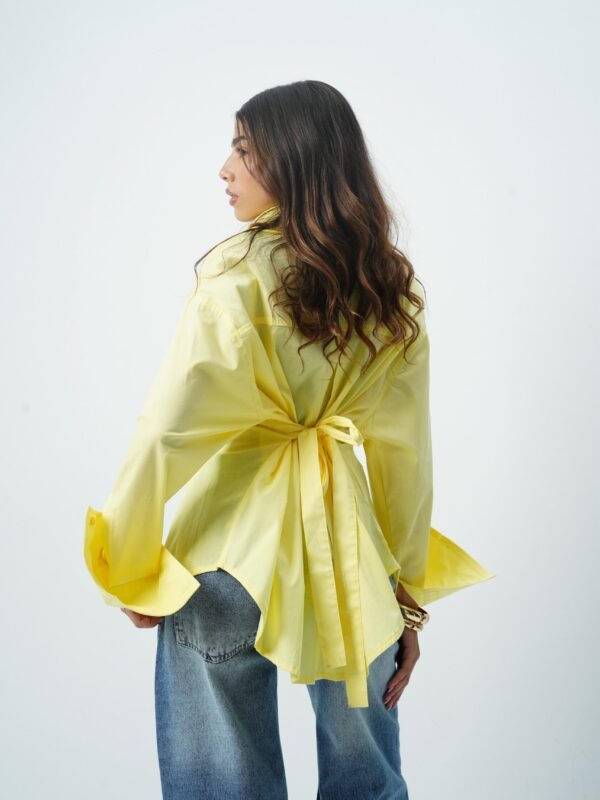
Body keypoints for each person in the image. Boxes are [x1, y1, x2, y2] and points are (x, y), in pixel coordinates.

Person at [83, 80, 495, 799]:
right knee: (367, 779)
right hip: (348, 562)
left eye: (243, 150)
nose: (224, 169)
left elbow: (169, 431)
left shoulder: (233, 276)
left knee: (220, 785)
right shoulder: (391, 291)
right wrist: (402, 595)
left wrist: (131, 559)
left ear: (294, 159)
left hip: (224, 561)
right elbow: (404, 455)